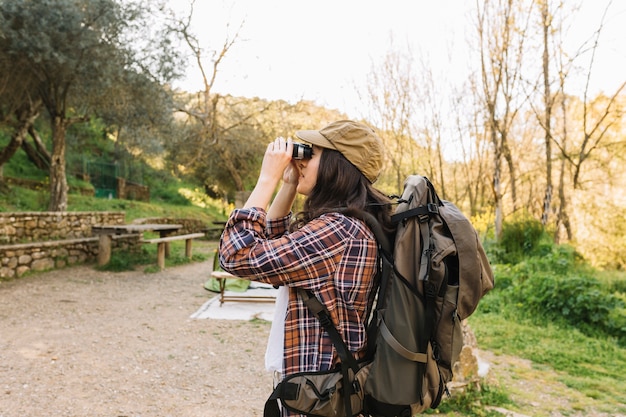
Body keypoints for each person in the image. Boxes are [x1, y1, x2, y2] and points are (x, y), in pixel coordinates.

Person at [218, 120, 394, 416]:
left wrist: (266, 180)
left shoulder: (338, 231)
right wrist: (289, 184)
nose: (301, 160)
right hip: (323, 388)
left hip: (317, 393)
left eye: (311, 155)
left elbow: (237, 254)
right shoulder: (351, 224)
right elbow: (272, 245)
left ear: (337, 165)